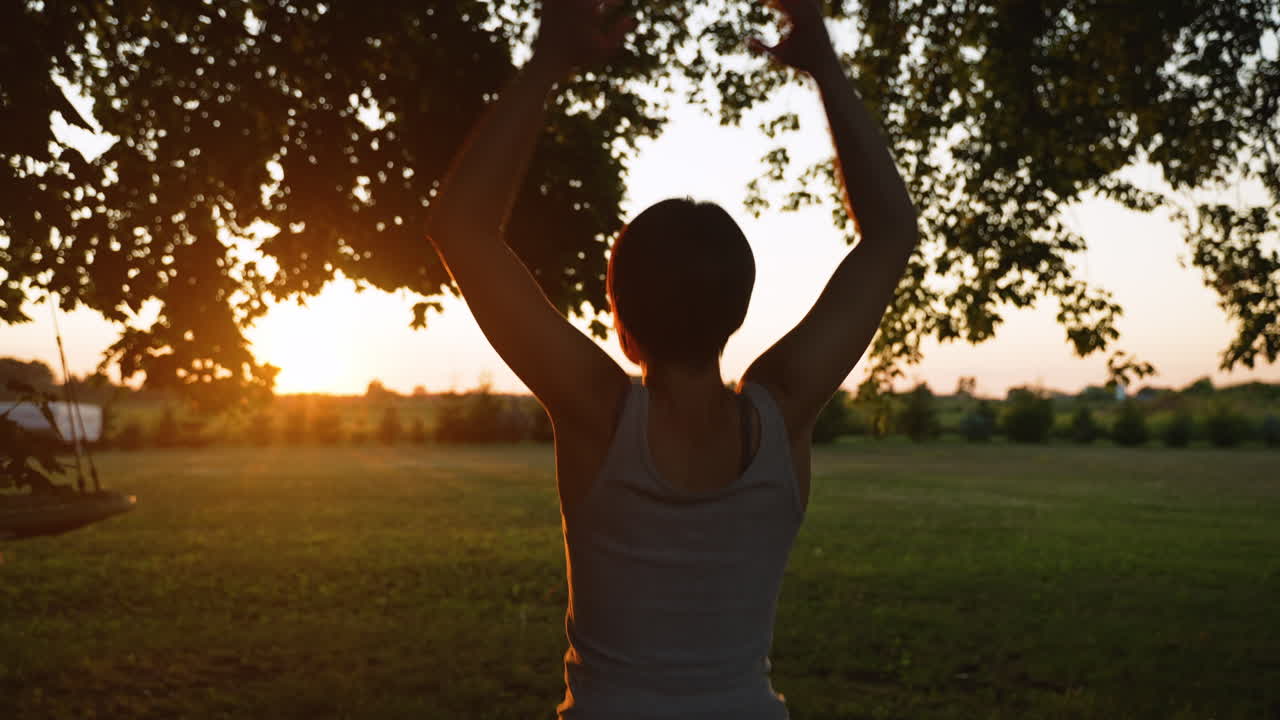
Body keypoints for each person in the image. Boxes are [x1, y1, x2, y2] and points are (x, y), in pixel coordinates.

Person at [426, 0, 919, 716]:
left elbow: (461, 229)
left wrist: (548, 63)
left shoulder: (598, 412)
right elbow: (891, 233)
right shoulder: (784, 410)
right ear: (738, 314)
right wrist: (823, 63)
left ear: (622, 325)